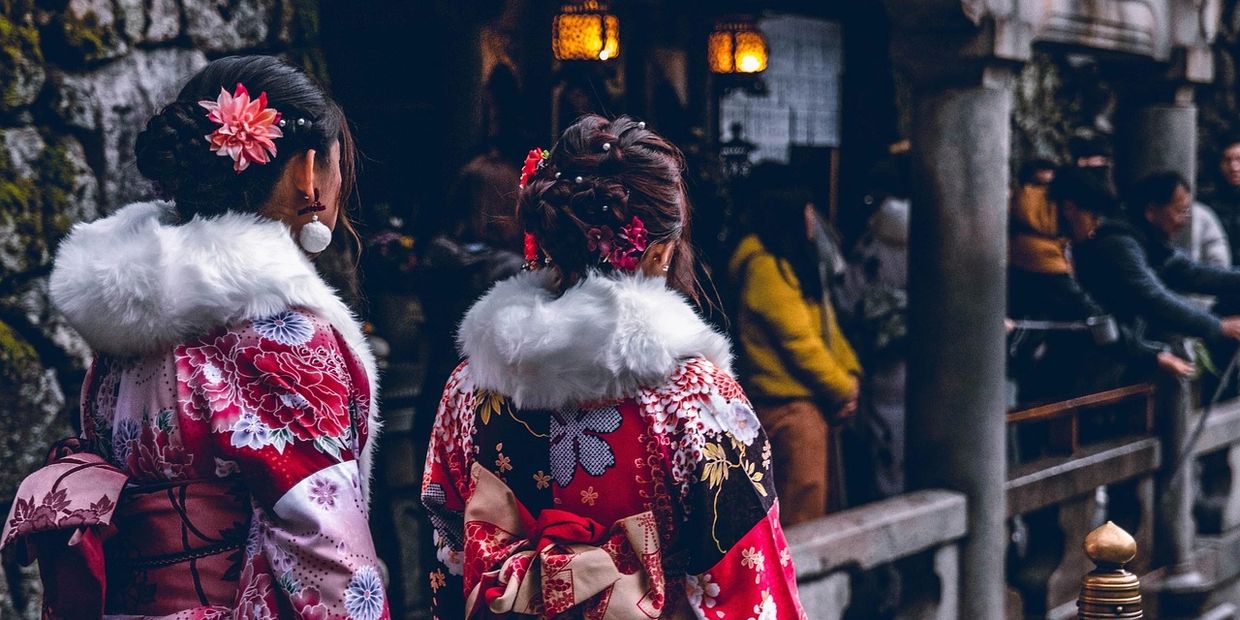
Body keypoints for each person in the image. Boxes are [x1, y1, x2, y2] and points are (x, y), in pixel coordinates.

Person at [2, 56, 389, 618]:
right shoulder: (281, 337)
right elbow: (320, 541)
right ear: (307, 171)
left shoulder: (130, 325)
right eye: (333, 164)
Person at [420, 116, 806, 619]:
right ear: (660, 252)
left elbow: (450, 561)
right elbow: (751, 586)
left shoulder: (468, 390)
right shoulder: (692, 400)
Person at [729, 166, 862, 526]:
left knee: (817, 506)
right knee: (802, 514)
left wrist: (850, 374)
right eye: (807, 211)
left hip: (808, 406)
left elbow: (827, 330)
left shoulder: (791, 266)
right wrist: (843, 387)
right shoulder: (765, 269)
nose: (813, 220)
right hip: (788, 411)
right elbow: (800, 344)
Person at [1008, 168, 1195, 403]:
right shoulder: (1034, 245)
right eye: (1093, 216)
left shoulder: (1041, 224)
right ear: (1070, 208)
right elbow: (1089, 314)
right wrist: (1154, 356)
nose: (1095, 227)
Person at [1073, 171, 1240, 346]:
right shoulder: (1119, 243)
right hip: (1095, 350)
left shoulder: (1149, 242)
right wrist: (1216, 326)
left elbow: (1192, 272)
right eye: (1179, 211)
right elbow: (1152, 297)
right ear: (1151, 211)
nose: (1183, 221)